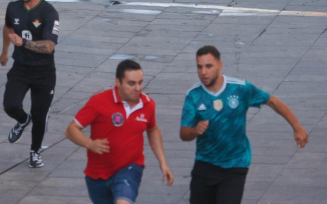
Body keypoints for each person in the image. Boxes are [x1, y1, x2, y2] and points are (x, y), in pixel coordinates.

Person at [180, 46, 309, 204]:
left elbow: (272, 101)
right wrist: (195, 131)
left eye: (209, 66)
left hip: (235, 164)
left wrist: (297, 127)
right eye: (199, 67)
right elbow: (183, 133)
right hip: (205, 163)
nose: (204, 72)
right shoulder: (193, 95)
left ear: (220, 65)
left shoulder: (240, 89)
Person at [66, 59, 174, 204]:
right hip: (97, 174)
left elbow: (152, 129)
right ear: (118, 82)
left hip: (130, 168)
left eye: (140, 83)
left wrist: (163, 162)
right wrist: (90, 144)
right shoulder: (98, 102)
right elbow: (71, 130)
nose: (137, 88)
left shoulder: (148, 105)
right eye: (131, 83)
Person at [0, 0, 60, 169]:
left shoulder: (49, 13)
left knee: (40, 113)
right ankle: (23, 120)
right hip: (21, 68)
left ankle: (35, 151)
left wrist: (23, 43)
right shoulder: (13, 8)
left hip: (44, 72)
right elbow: (8, 28)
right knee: (10, 104)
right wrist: (4, 51)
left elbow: (49, 46)